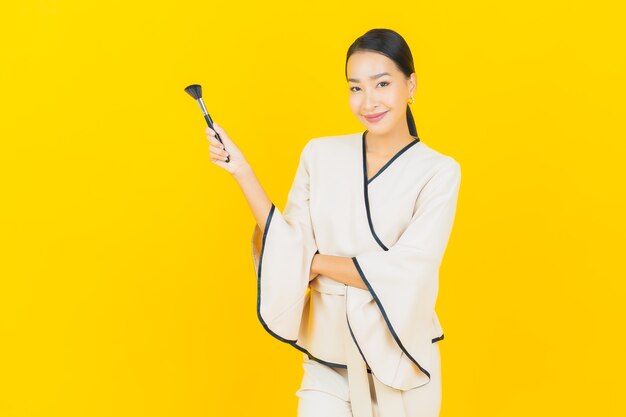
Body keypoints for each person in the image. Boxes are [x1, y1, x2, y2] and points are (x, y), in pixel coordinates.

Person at [205, 28, 461, 417]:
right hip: (326, 358)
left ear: (411, 85)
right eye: (355, 88)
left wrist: (314, 262)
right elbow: (286, 245)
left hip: (399, 360)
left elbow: (410, 271)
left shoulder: (439, 172)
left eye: (382, 84)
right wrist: (243, 172)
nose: (368, 101)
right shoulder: (320, 154)